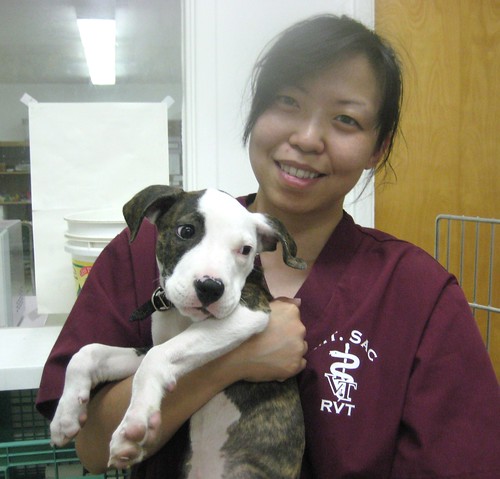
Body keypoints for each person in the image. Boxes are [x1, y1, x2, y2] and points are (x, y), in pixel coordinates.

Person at [36, 14, 500, 478]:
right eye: (287, 101)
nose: (306, 138)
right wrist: (229, 361)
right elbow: (94, 451)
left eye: (345, 119)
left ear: (377, 148)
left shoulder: (416, 292)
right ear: (256, 111)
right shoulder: (152, 248)